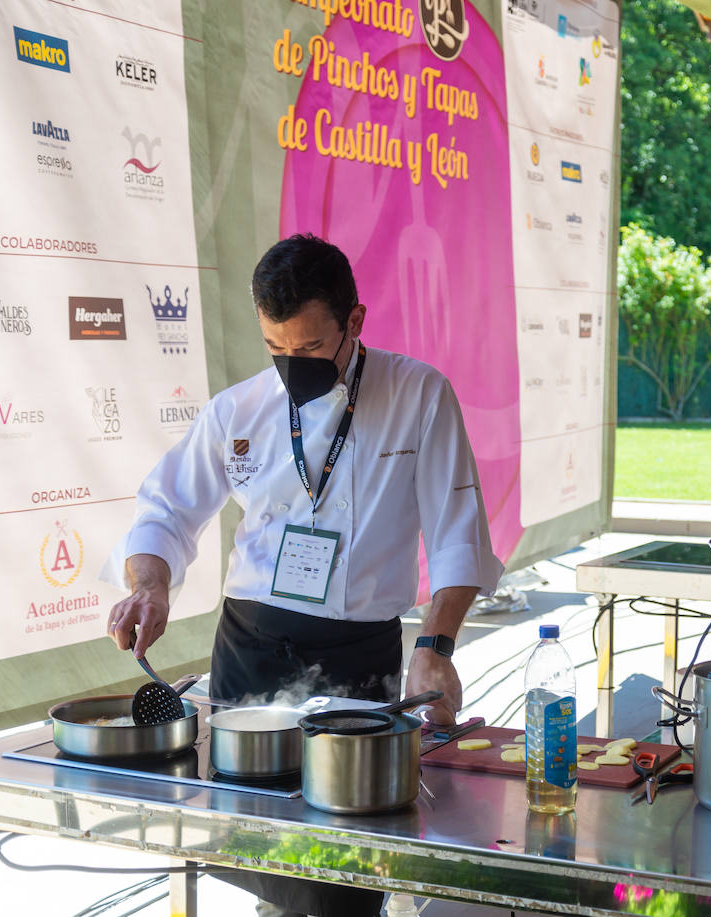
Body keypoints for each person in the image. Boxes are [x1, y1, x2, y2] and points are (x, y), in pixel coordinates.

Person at [102, 234, 502, 917]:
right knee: (255, 846)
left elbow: (458, 532)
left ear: (355, 321)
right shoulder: (239, 410)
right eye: (277, 350)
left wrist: (435, 648)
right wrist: (150, 583)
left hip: (357, 656)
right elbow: (164, 508)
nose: (293, 367)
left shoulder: (419, 395)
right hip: (250, 652)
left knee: (344, 865)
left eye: (312, 349)